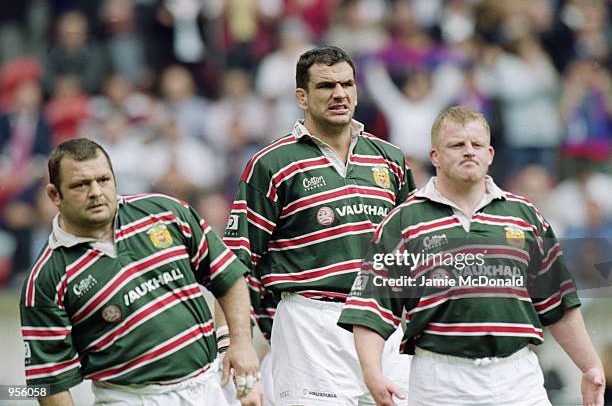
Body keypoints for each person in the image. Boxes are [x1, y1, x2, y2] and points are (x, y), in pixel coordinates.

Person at [338, 106, 606, 405]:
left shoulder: (524, 216)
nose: (468, 152)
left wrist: (590, 365)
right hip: (440, 381)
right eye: (456, 145)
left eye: (476, 145)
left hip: (519, 378)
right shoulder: (405, 221)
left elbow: (558, 303)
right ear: (435, 156)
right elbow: (371, 308)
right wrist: (372, 373)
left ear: (490, 154)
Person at [223, 46, 416, 405]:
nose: (340, 94)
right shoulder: (271, 163)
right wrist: (237, 340)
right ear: (302, 97)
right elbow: (233, 261)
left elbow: (412, 250)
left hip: (382, 320)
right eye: (326, 86)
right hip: (309, 324)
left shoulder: (390, 159)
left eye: (347, 84)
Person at [20, 138, 261, 406]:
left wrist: (238, 343)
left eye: (104, 179)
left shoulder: (165, 212)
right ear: (54, 195)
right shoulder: (45, 278)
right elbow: (49, 383)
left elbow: (226, 276)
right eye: (81, 185)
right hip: (130, 398)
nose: (96, 192)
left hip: (209, 386)